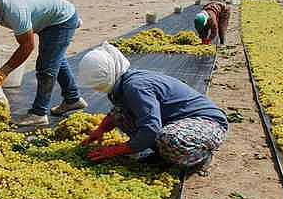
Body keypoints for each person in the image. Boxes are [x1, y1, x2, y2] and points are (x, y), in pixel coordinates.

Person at [77, 43, 228, 174]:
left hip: (207, 122)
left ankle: (201, 156)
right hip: (174, 120)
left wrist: (114, 150)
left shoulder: (136, 86)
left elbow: (151, 128)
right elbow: (116, 113)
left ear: (109, 73)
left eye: (97, 84)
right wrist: (100, 130)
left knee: (171, 139)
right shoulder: (122, 85)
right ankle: (164, 154)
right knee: (120, 114)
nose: (96, 89)